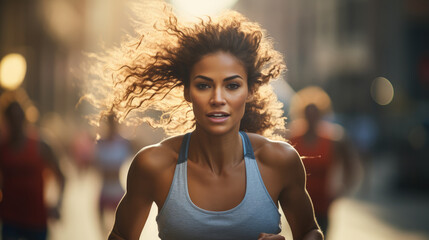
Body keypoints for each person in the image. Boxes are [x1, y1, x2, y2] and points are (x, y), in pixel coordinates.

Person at [86, 2, 323, 239]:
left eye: (232, 86)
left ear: (250, 91)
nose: (218, 98)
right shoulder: (153, 165)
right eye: (203, 85)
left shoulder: (280, 161)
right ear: (187, 91)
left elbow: (312, 232)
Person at [288, 86, 361, 236]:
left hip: (323, 205)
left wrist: (342, 189)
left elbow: (351, 166)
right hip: (299, 206)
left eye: (315, 113)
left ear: (322, 113)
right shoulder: (293, 139)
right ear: (301, 113)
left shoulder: (334, 139)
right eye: (308, 112)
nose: (311, 117)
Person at [0, 98, 65, 240]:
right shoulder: (2, 149)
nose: (15, 122)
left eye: (18, 117)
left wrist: (57, 204)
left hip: (37, 221)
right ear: (6, 120)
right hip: (10, 220)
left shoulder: (41, 145)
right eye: (11, 118)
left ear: (25, 117)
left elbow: (61, 175)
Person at [95, 112, 133, 236]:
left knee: (121, 231)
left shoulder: (124, 143)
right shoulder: (100, 143)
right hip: (105, 191)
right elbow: (97, 167)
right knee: (103, 230)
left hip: (118, 192)